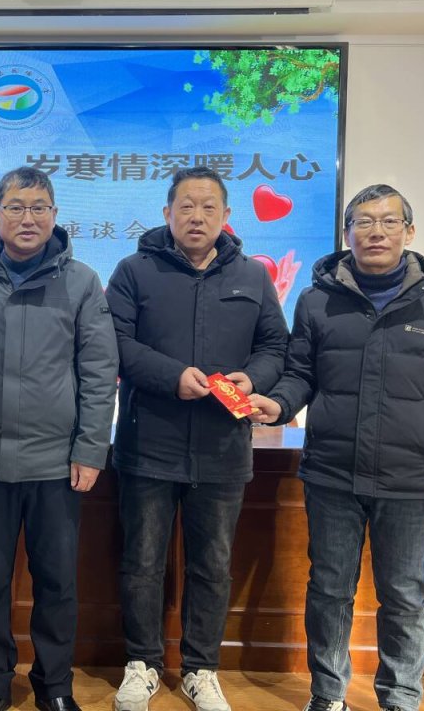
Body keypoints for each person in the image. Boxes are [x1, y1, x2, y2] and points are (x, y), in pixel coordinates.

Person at [248, 184, 424, 711]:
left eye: (389, 221)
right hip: (331, 474)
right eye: (364, 222)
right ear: (347, 232)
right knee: (329, 590)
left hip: (409, 478)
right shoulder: (317, 301)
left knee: (404, 595)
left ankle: (400, 696)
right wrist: (277, 404)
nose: (376, 232)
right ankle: (328, 694)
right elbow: (300, 374)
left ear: (409, 232)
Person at [0, 166, 118, 711]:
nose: (27, 218)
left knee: (56, 582)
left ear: (55, 215)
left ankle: (54, 686)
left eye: (38, 207)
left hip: (55, 463)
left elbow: (99, 371)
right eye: (15, 207)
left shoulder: (81, 281)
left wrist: (90, 448)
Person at [106, 166, 288, 711]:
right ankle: (142, 663)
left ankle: (201, 669)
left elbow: (276, 346)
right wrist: (171, 377)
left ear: (226, 216)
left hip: (222, 448)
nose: (197, 216)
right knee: (142, 563)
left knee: (212, 565)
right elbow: (114, 343)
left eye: (209, 207)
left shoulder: (252, 276)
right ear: (167, 213)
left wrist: (253, 378)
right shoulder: (134, 271)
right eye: (186, 206)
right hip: (148, 444)